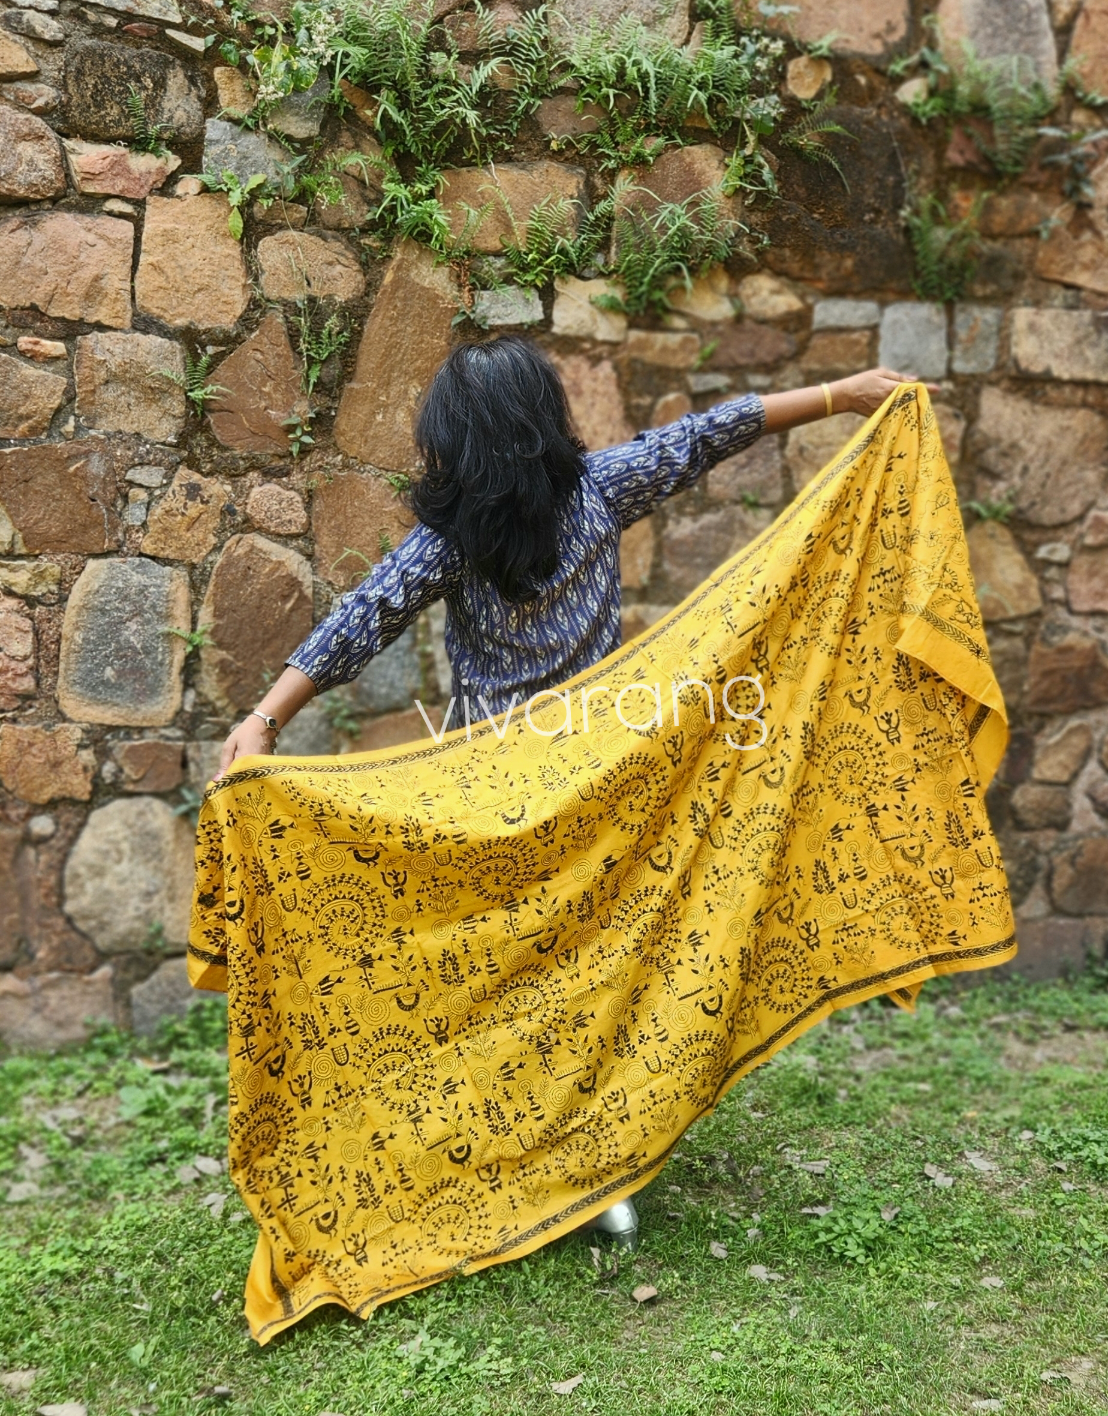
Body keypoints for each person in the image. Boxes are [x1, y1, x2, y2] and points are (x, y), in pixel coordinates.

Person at [214, 336, 931, 1247]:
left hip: (549, 792)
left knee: (553, 976)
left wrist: (266, 720)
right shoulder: (529, 514)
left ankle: (581, 1165)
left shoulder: (523, 516)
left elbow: (365, 617)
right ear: (539, 426)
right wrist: (842, 392)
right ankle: (551, 1161)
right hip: (548, 795)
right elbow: (365, 616)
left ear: (470, 446)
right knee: (558, 975)